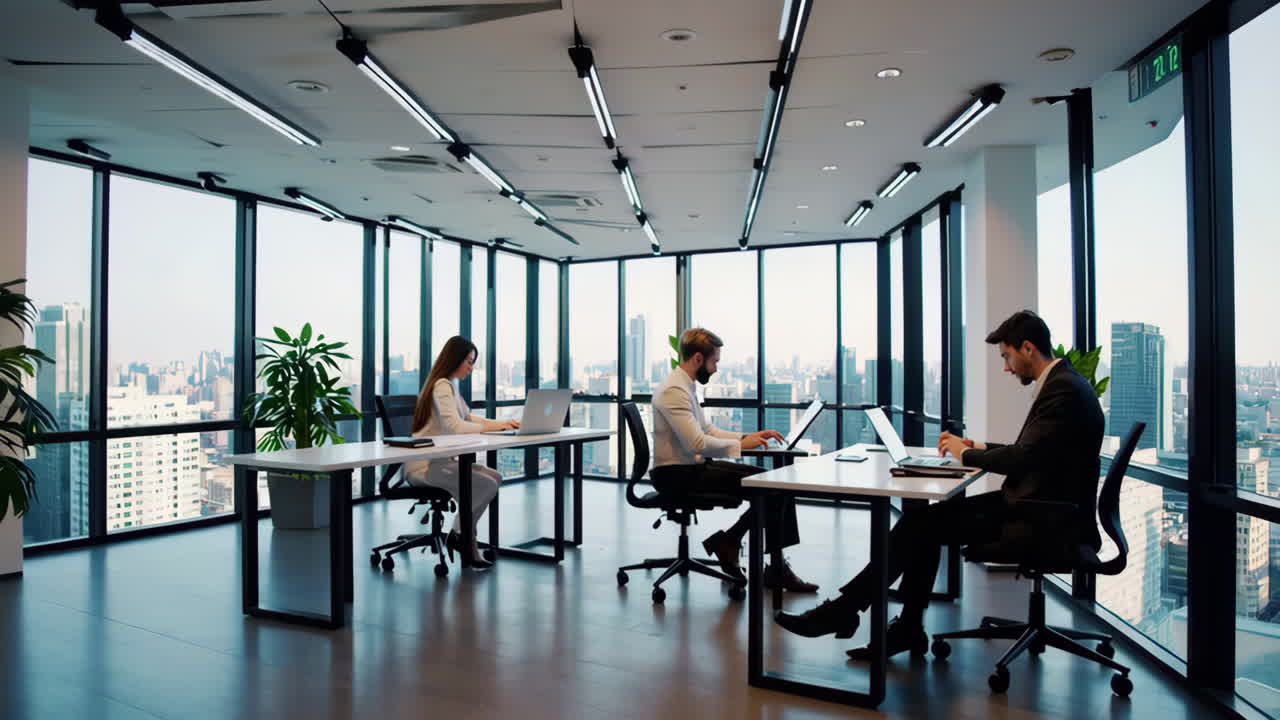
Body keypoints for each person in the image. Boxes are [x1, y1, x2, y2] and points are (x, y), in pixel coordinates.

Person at [774, 310, 1104, 659]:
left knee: (920, 525)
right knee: (922, 524)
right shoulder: (1066, 384)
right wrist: (976, 447)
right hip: (1042, 507)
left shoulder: (1062, 390)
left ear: (1027, 348)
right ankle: (899, 625)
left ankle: (849, 611)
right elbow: (1034, 452)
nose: (1006, 367)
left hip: (1040, 517)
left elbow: (1023, 459)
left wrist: (965, 455)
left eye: (1007, 356)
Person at [651, 327, 817, 592]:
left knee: (775, 482)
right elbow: (696, 443)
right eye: (714, 361)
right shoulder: (674, 391)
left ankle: (738, 545)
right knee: (772, 487)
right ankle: (757, 558)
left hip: (691, 468)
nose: (716, 368)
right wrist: (740, 446)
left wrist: (745, 436)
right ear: (697, 359)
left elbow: (707, 431)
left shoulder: (686, 386)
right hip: (676, 475)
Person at [405, 336, 520, 569]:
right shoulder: (441, 386)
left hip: (441, 463)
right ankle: (462, 536)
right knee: (487, 485)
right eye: (468, 361)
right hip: (425, 466)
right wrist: (498, 426)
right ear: (455, 359)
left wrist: (502, 424)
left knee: (495, 478)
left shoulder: (450, 386)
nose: (471, 367)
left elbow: (468, 418)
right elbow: (455, 427)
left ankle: (461, 534)